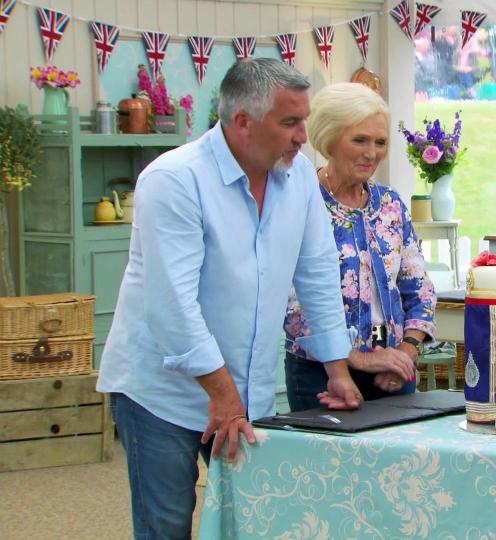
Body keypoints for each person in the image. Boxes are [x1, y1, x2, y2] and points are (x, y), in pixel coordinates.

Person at [96, 58, 361, 539]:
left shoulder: (298, 176)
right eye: (290, 122)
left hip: (247, 391)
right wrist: (222, 395)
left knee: (252, 524)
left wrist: (336, 368)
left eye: (304, 119)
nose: (304, 135)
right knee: (167, 527)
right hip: (163, 394)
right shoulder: (174, 180)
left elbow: (318, 271)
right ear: (242, 122)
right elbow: (172, 304)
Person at [284, 83, 436, 409]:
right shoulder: (301, 202)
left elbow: (420, 289)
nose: (372, 153)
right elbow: (293, 302)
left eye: (380, 142)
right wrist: (356, 359)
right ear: (329, 139)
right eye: (360, 140)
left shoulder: (391, 204)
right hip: (321, 373)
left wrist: (405, 354)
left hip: (393, 372)